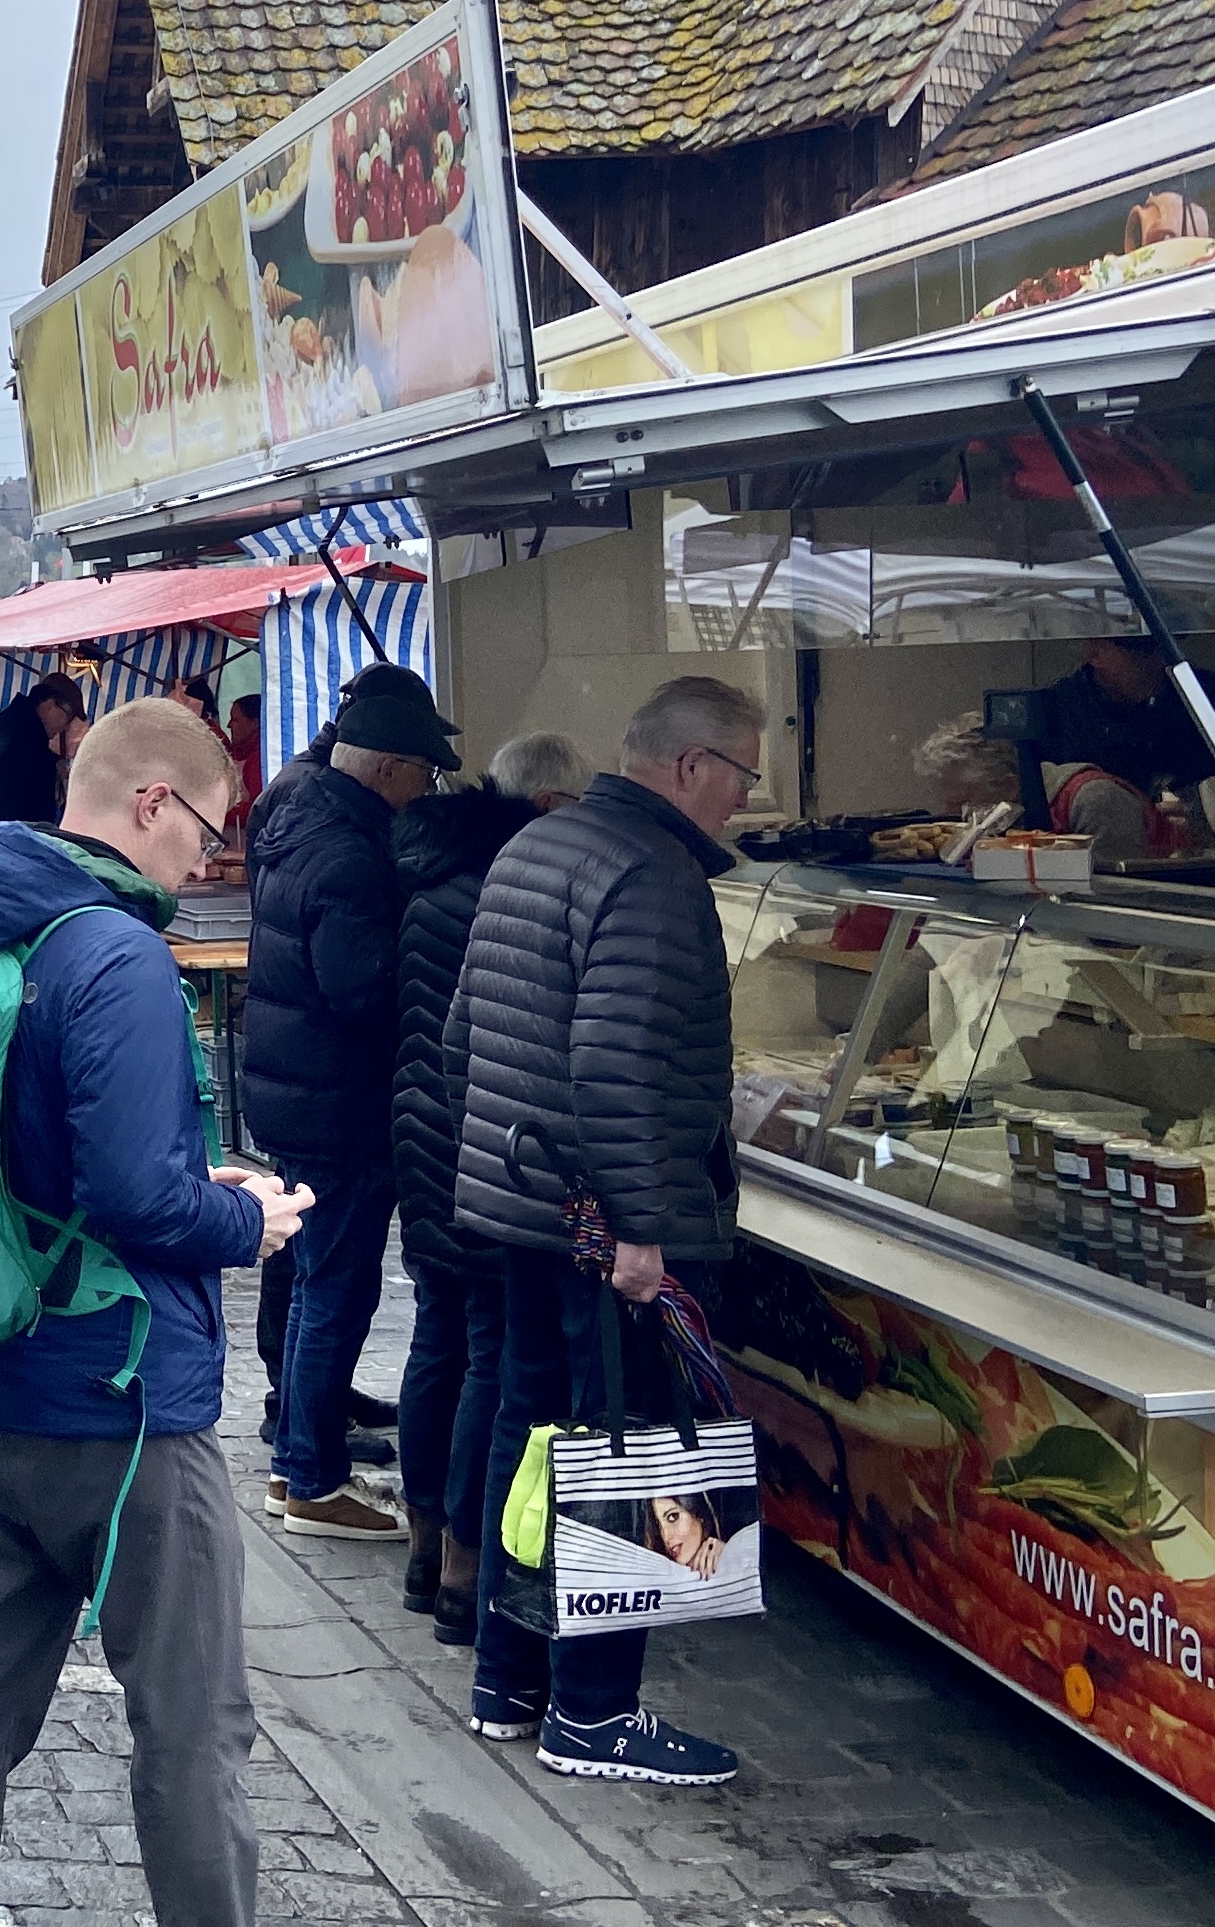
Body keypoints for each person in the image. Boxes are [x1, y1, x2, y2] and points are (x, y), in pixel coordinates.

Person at [0, 699, 307, 1926]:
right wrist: (247, 1221)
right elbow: (132, 1194)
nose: (210, 860)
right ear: (149, 805)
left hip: (4, 1379)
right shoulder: (116, 952)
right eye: (208, 831)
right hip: (127, 1409)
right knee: (192, 1731)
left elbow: (48, 1156)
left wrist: (194, 1177)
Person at [445, 674, 758, 1786]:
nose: (741, 800)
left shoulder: (537, 846)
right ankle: (594, 1712)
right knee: (620, 1450)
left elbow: (462, 1032)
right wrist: (635, 1227)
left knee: (534, 1439)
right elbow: (614, 1063)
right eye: (741, 776)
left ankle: (506, 1678)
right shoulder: (655, 875)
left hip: (521, 1204)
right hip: (598, 1223)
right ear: (690, 767)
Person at [384, 727, 587, 1647]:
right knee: (493, 1358)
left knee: (439, 1340)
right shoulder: (509, 886)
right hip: (486, 1145)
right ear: (544, 807)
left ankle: (425, 1546)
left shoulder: (428, 872)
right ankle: (471, 1564)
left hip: (422, 1129)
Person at [247, 676, 459, 1541]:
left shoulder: (296, 811)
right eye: (424, 774)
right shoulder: (352, 852)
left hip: (294, 1088)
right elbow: (356, 986)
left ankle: (297, 1455)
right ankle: (312, 1480)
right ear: (389, 770)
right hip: (339, 1100)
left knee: (307, 1279)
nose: (430, 791)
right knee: (335, 1287)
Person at [1016, 634, 1215, 858]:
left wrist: (1204, 815)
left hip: (1213, 865)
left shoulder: (1209, 697)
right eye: (1142, 649)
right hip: (1104, 865)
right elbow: (1044, 813)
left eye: (1165, 643)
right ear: (1095, 652)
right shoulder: (1057, 711)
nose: (1160, 660)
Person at [0, 675, 84, 847]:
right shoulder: (21, 743)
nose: (65, 727)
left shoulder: (9, 727)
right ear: (50, 705)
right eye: (68, 716)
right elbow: (7, 815)